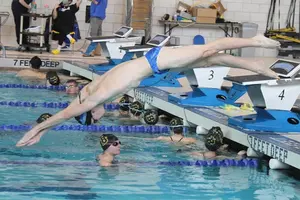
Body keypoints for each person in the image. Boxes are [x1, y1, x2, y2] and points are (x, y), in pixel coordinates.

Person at [16, 35, 281, 147]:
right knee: (213, 59)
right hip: (154, 62)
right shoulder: (90, 90)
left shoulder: (94, 98)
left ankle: (254, 41)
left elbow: (65, 114)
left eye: (95, 117)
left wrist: (39, 130)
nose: (100, 117)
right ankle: (257, 65)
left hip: (156, 62)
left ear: (91, 114)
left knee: (209, 50)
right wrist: (43, 129)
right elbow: (72, 107)